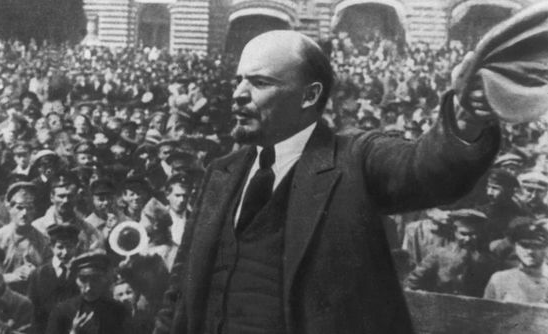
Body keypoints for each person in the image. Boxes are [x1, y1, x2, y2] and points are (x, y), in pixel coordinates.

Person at [155, 30, 501, 334]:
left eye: (259, 82)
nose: (239, 94)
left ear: (309, 96)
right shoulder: (221, 173)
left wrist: (466, 119)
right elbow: (179, 289)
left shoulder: (355, 161)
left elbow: (425, 167)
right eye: (239, 80)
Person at [405, 210, 497, 297]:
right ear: (455, 233)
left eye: (473, 234)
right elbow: (412, 284)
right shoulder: (438, 255)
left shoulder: (487, 262)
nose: (468, 239)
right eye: (463, 234)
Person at [0, 182, 52, 293]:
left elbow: (50, 275)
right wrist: (13, 277)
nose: (24, 213)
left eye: (29, 208)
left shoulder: (43, 240)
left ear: (35, 210)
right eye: (19, 208)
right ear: (9, 208)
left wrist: (36, 274)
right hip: (2, 296)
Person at [46, 252, 126, 334]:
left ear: (105, 279)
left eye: (95, 280)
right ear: (76, 280)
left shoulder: (119, 311)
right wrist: (74, 332)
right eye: (83, 280)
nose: (88, 288)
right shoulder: (61, 311)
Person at [32, 171, 105, 253]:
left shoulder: (88, 229)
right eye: (61, 196)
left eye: (70, 196)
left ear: (77, 197)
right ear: (52, 197)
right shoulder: (37, 228)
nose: (66, 201)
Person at [27, 224, 81, 333]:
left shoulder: (82, 272)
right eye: (60, 247)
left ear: (76, 246)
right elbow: (34, 313)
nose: (65, 252)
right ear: (51, 247)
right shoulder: (38, 275)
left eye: (69, 246)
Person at [484, 222, 548, 304]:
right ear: (515, 247)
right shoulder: (500, 279)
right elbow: (487, 313)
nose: (530, 251)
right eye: (525, 245)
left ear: (546, 249)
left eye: (536, 246)